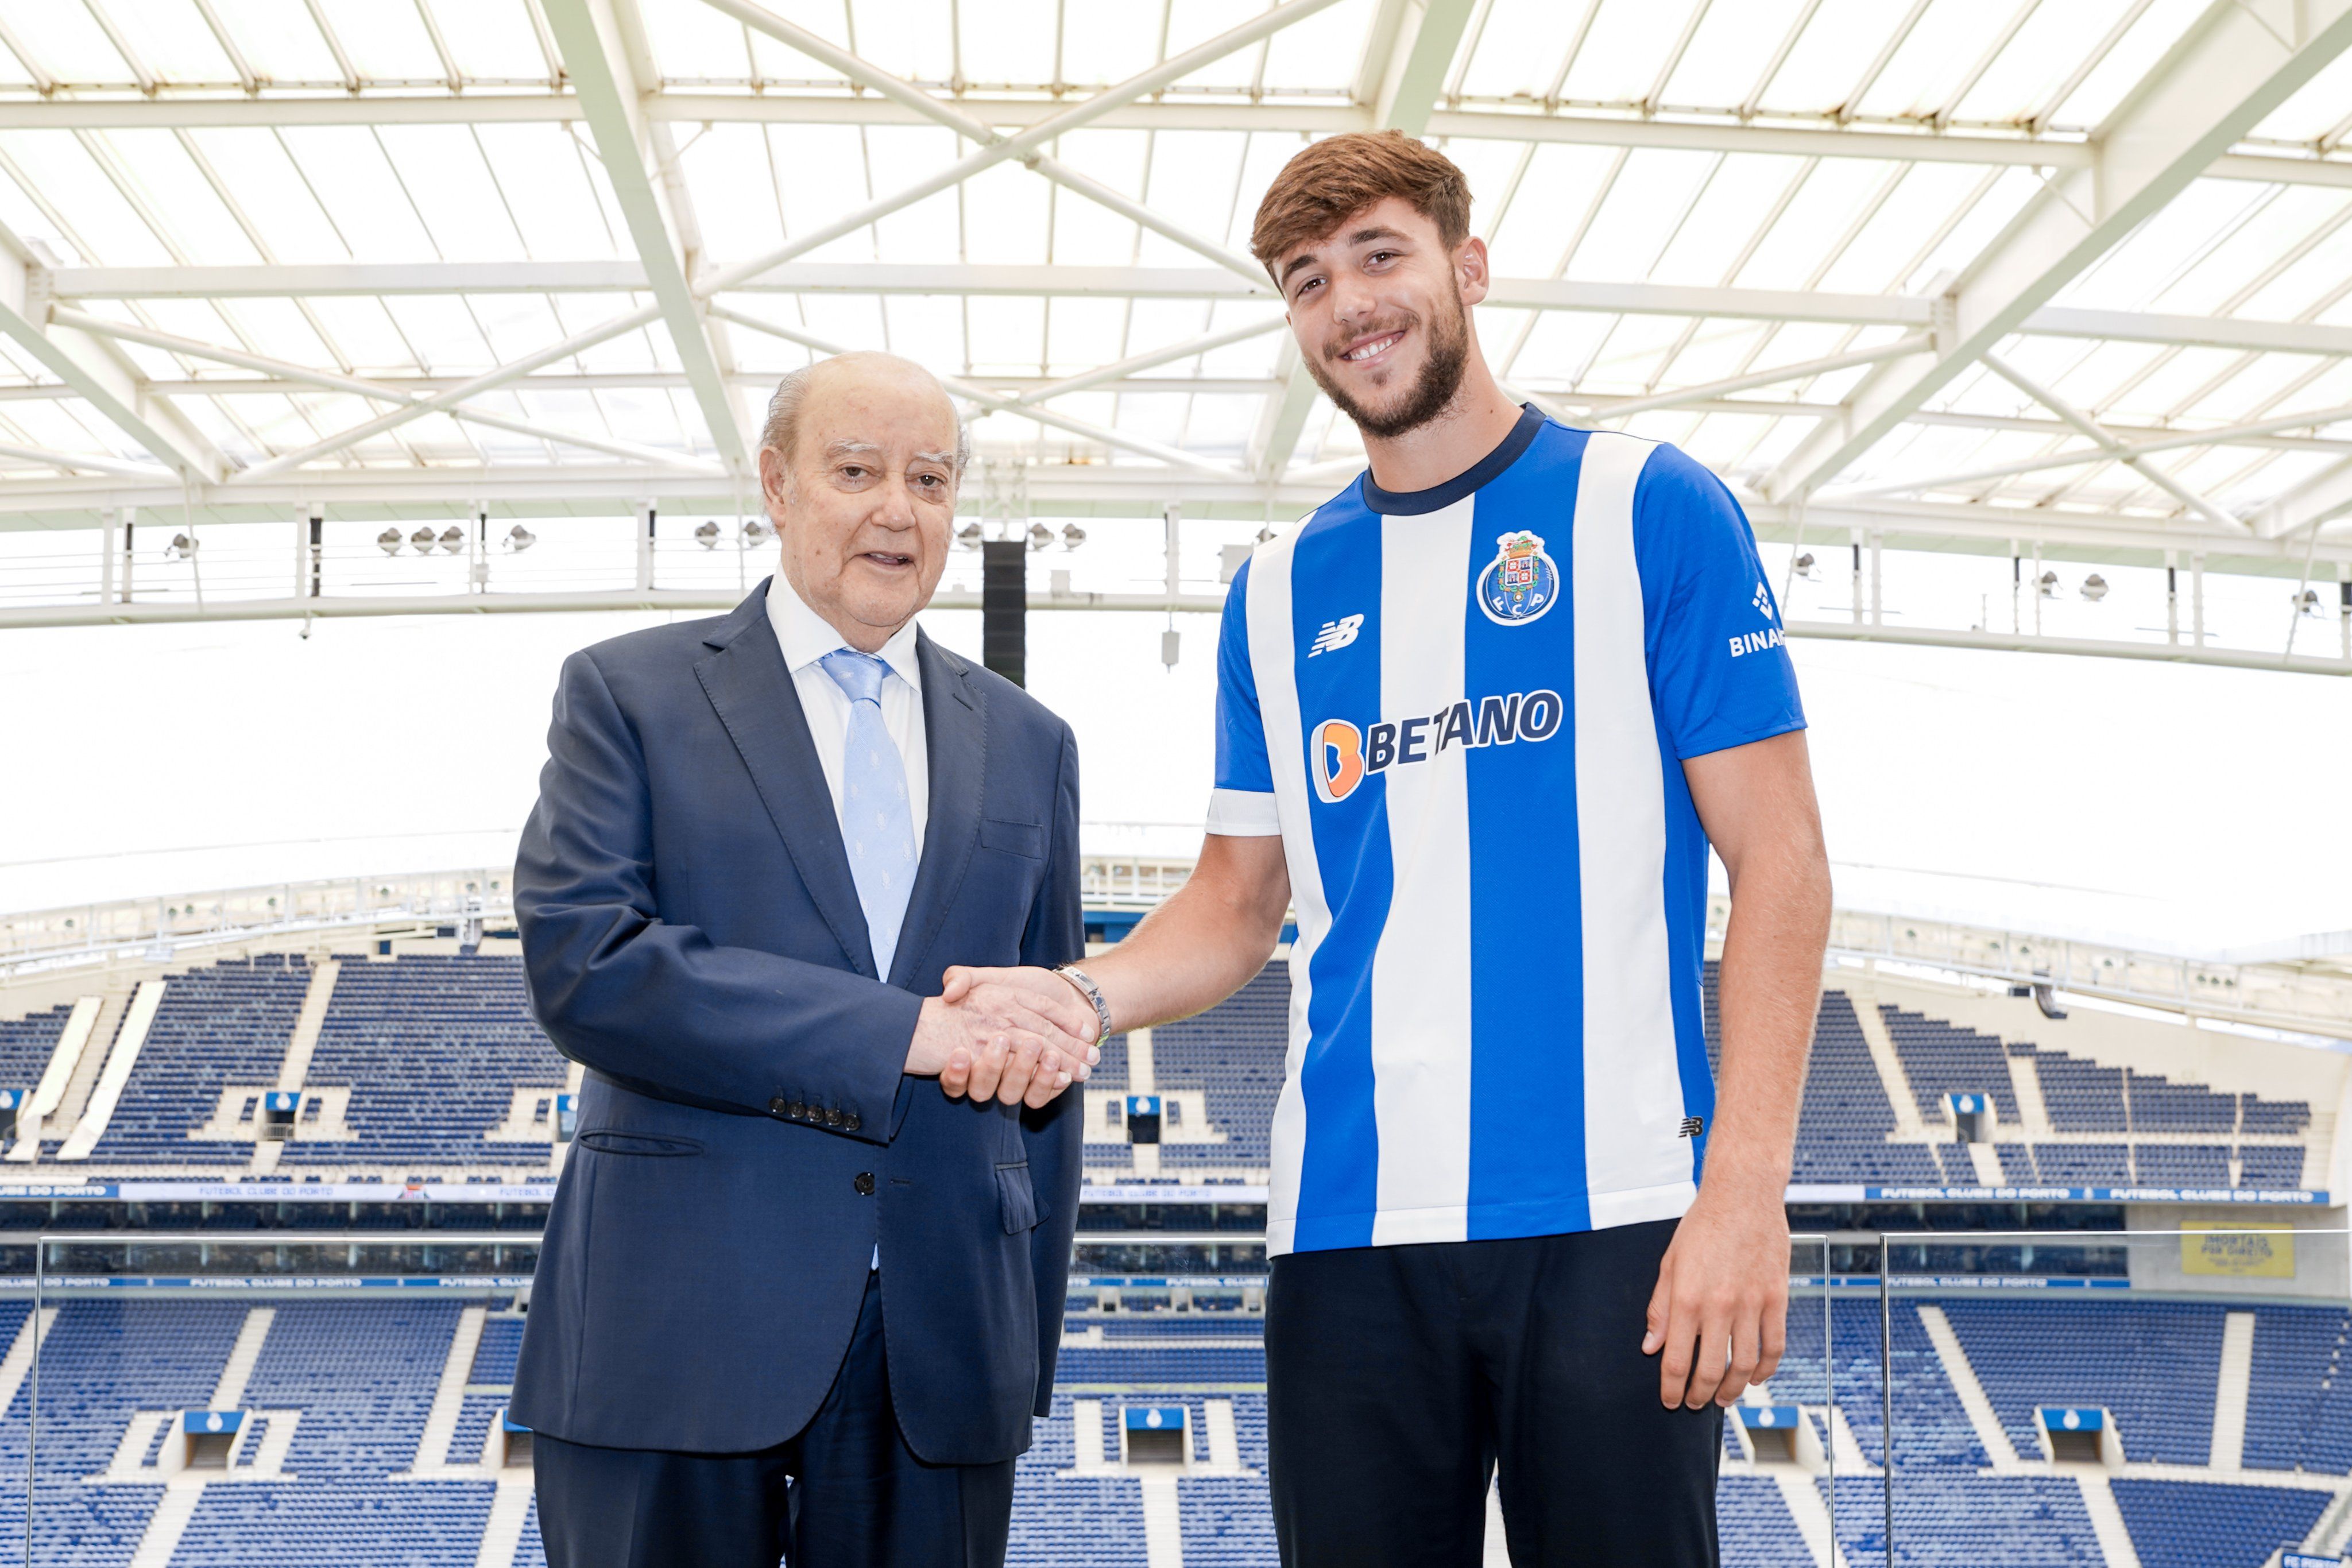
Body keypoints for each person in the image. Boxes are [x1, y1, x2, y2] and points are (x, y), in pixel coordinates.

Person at [947, 132, 1832, 1566]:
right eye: (1307, 279)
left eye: (1378, 255)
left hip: (1613, 1213)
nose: (1347, 303)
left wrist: (1743, 1191)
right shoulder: (1275, 591)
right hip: (1347, 1231)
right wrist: (1080, 993)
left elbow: (1781, 864)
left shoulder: (1646, 507)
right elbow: (1236, 901)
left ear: (1465, 266)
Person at [510, 351, 1101, 1568]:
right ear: (776, 486)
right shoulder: (628, 693)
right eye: (857, 471)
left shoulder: (1032, 742)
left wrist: (1021, 1348)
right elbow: (587, 963)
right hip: (674, 1334)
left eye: (929, 479)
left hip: (943, 1355)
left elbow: (1048, 1048)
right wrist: (899, 1033)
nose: (899, 509)